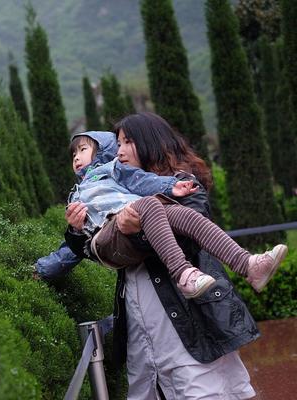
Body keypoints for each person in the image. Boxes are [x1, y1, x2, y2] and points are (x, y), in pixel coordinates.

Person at [55, 112, 268, 399]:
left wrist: (136, 229)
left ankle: (248, 264)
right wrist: (78, 230)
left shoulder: (182, 184)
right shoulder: (118, 190)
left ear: (149, 142)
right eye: (117, 143)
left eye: (127, 142)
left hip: (189, 319)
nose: (119, 151)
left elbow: (188, 237)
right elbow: (102, 253)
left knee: (202, 389)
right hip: (142, 321)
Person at [67, 130, 287, 298]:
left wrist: (171, 186)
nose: (76, 157)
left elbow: (142, 180)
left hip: (138, 217)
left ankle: (248, 265)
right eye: (74, 153)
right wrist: (66, 241)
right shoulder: (76, 193)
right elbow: (72, 246)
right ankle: (184, 274)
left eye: (82, 150)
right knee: (152, 204)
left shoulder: (113, 169)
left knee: (182, 214)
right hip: (107, 236)